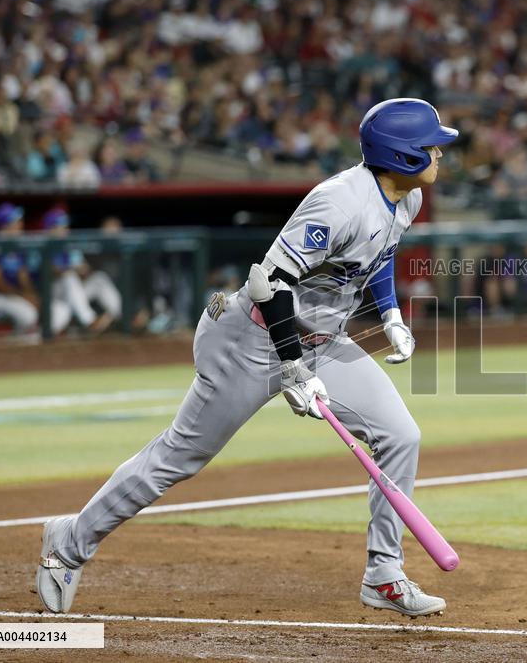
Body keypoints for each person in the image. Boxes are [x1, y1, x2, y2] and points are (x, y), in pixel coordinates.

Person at [36, 98, 458, 618]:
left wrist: (390, 314)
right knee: (180, 456)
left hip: (321, 341)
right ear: (404, 155)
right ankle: (67, 545)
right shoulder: (339, 203)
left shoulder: (406, 199)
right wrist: (291, 366)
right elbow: (271, 284)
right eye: (432, 145)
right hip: (253, 338)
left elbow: (380, 255)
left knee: (401, 435)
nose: (441, 153)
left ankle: (384, 575)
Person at [0, 203, 71, 334]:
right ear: (5, 224)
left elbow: (24, 278)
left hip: (17, 298)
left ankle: (35, 343)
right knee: (28, 315)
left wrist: (33, 297)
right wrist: (24, 297)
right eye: (16, 221)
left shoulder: (19, 247)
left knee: (61, 309)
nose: (20, 225)